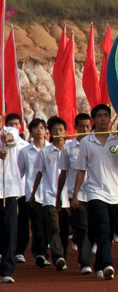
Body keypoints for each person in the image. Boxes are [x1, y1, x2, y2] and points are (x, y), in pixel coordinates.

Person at [73, 104, 118, 280]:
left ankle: (99, 264)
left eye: (106, 116)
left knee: (107, 233)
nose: (103, 119)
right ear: (94, 119)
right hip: (94, 192)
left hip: (115, 193)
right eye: (99, 116)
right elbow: (80, 169)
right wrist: (76, 194)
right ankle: (108, 264)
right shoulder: (87, 141)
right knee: (103, 227)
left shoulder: (116, 138)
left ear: (110, 118)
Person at [30, 116, 70, 271]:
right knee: (53, 229)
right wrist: (33, 194)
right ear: (50, 133)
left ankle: (62, 255)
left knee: (65, 230)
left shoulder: (71, 149)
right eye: (54, 130)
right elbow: (39, 174)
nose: (58, 132)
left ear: (66, 131)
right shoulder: (45, 152)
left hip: (67, 197)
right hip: (49, 196)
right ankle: (58, 256)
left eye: (60, 130)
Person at [57, 113, 92, 274]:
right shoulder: (68, 148)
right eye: (82, 126)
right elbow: (63, 173)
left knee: (94, 229)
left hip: (96, 193)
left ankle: (84, 256)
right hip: (76, 195)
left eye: (87, 126)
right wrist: (59, 196)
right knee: (83, 227)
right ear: (76, 127)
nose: (85, 129)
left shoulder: (95, 144)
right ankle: (86, 262)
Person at [17, 118, 50, 267]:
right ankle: (41, 254)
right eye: (36, 128)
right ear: (31, 131)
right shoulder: (25, 151)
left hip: (50, 193)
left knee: (48, 225)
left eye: (42, 128)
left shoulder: (52, 149)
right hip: (32, 193)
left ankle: (38, 249)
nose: (40, 130)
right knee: (37, 225)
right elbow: (20, 172)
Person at [0, 118, 25, 283]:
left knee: (10, 229)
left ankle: (7, 270)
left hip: (8, 189)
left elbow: (12, 138)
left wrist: (6, 138)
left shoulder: (11, 131)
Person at [5, 114, 30, 265]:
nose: (14, 126)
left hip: (16, 188)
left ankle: (19, 251)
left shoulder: (23, 144)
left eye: (16, 124)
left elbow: (10, 137)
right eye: (11, 123)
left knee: (18, 222)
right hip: (6, 188)